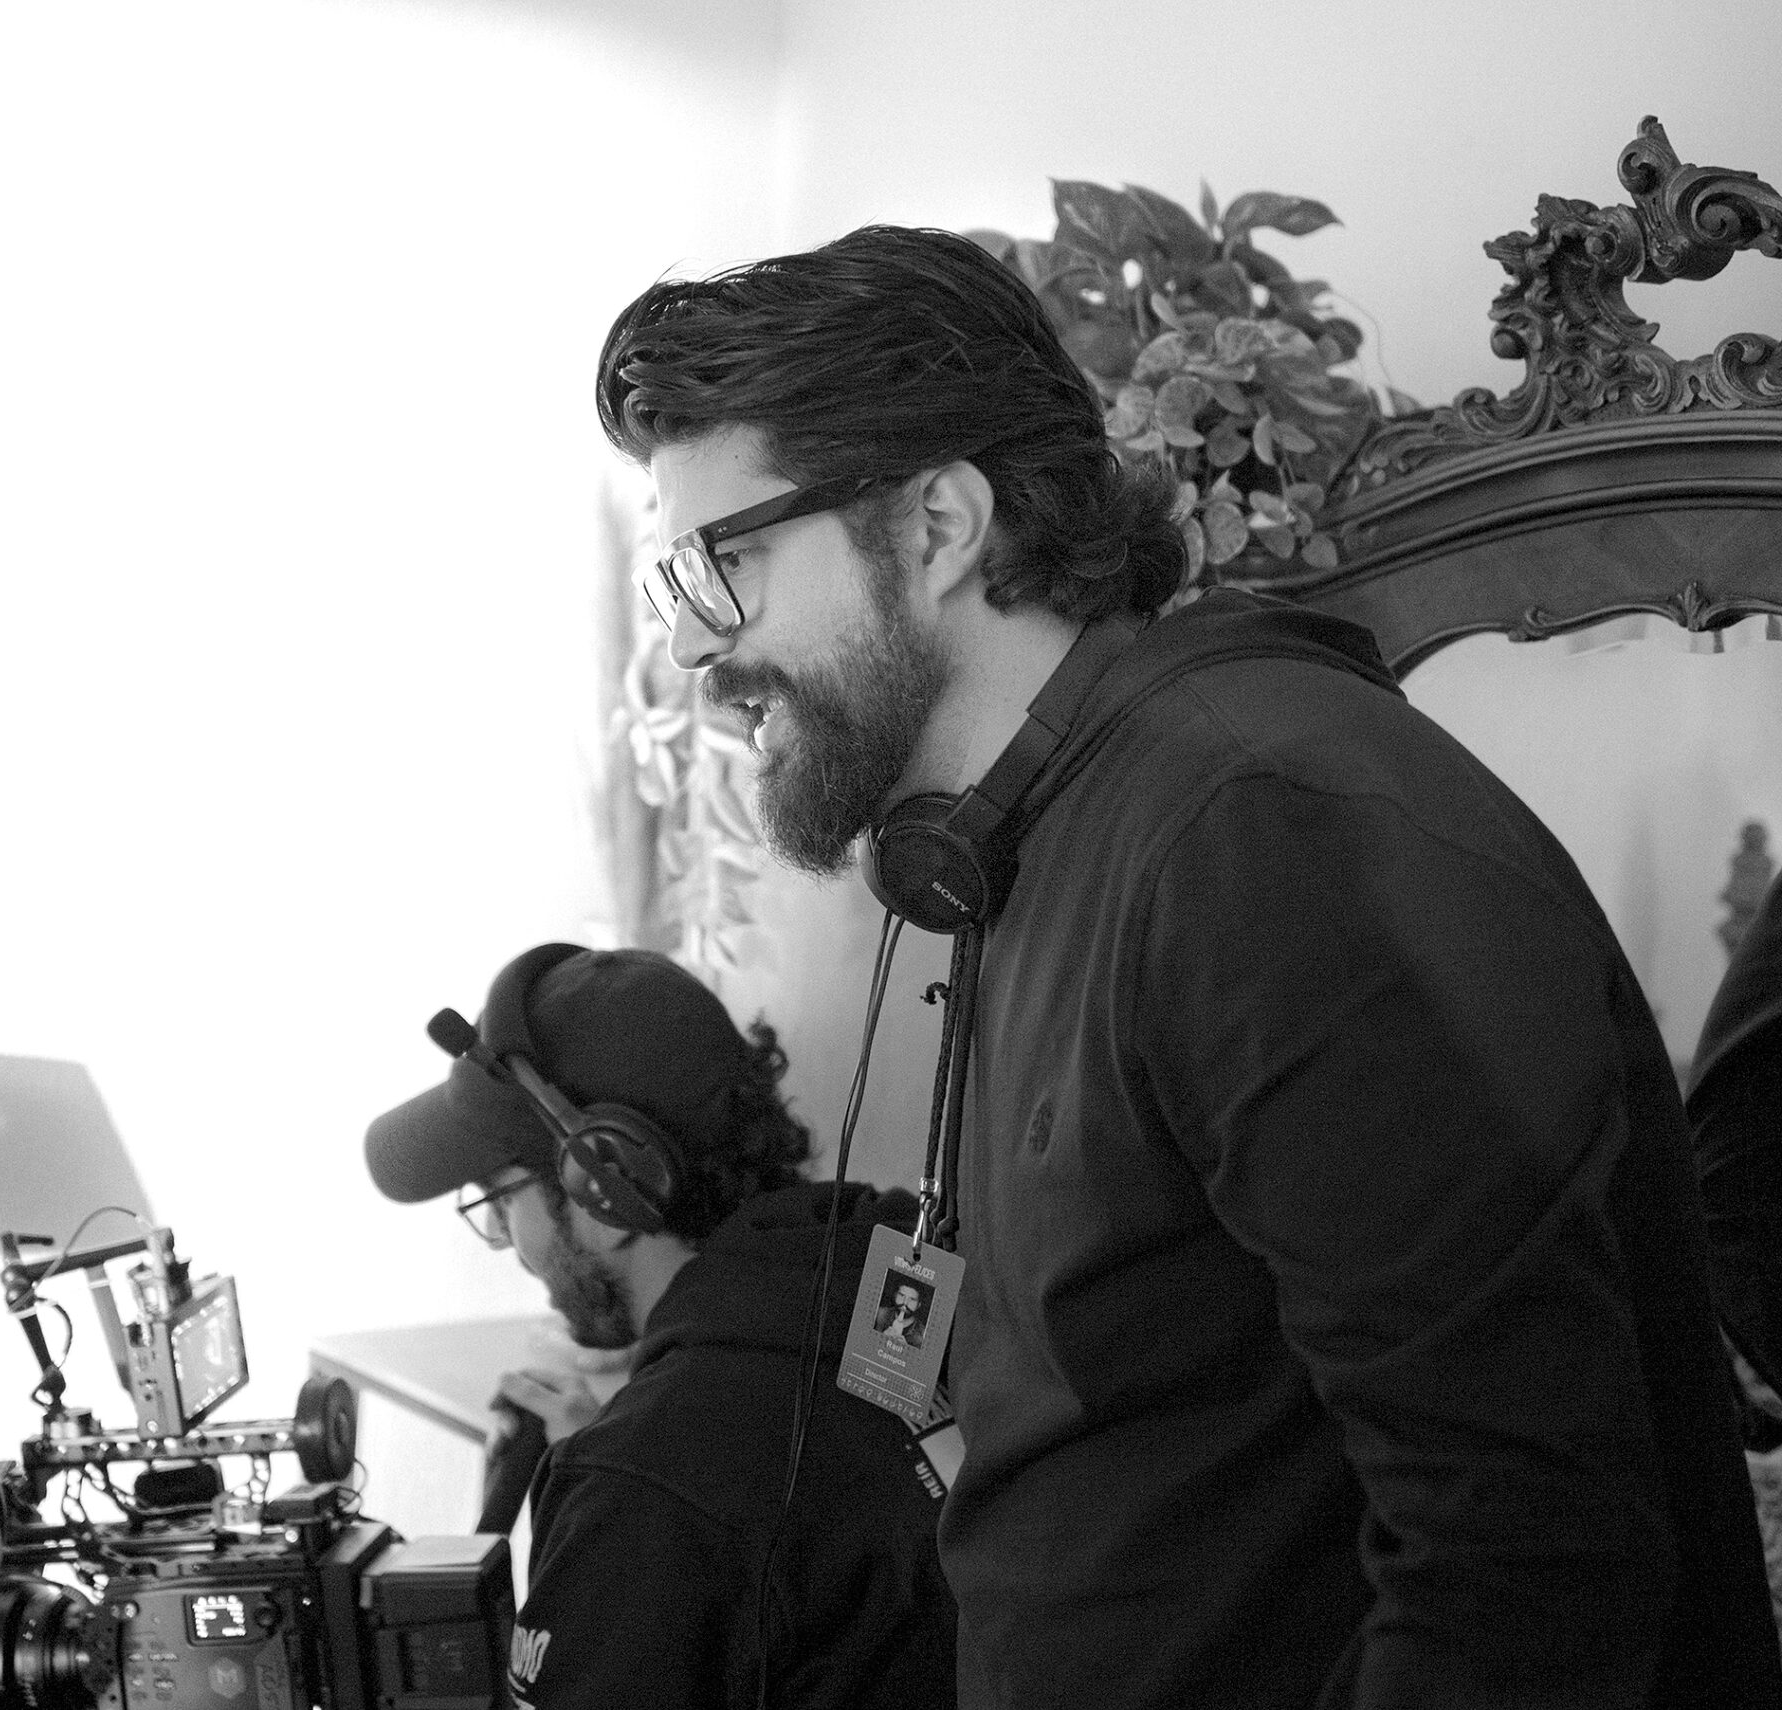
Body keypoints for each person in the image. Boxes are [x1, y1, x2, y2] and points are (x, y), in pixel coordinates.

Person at [594, 224, 1782, 1707]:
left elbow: (1525, 1555)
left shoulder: (1259, 834)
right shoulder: (1034, 839)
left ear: (938, 525)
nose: (693, 652)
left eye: (725, 567)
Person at [366, 943, 955, 1709]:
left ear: (605, 1183)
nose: (508, 1242)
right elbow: (827, 1485)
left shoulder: (647, 1495)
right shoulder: (899, 1280)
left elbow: (717, 1493)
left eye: (501, 1200)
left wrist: (620, 1480)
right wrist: (635, 1443)